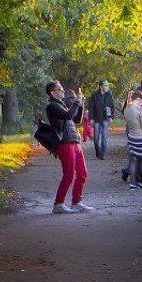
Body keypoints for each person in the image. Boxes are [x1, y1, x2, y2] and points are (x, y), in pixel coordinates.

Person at [45, 81, 91, 213]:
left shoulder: (61, 104)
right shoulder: (52, 106)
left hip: (74, 141)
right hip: (64, 143)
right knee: (69, 175)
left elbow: (76, 120)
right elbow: (68, 116)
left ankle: (77, 202)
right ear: (53, 92)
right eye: (60, 89)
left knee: (82, 173)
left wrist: (80, 104)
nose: (63, 91)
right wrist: (76, 102)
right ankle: (58, 204)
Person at [121, 89, 142, 188]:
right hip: (140, 138)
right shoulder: (139, 109)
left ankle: (133, 183)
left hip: (131, 137)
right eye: (141, 101)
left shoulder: (126, 108)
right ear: (138, 99)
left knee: (133, 160)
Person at [87, 79, 115, 160]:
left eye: (107, 85)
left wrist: (111, 117)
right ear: (100, 87)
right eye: (105, 85)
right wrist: (91, 118)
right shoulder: (94, 95)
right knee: (96, 139)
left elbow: (112, 107)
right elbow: (91, 107)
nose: (107, 87)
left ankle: (102, 154)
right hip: (96, 119)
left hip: (106, 119)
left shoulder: (109, 95)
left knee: (104, 137)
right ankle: (97, 150)